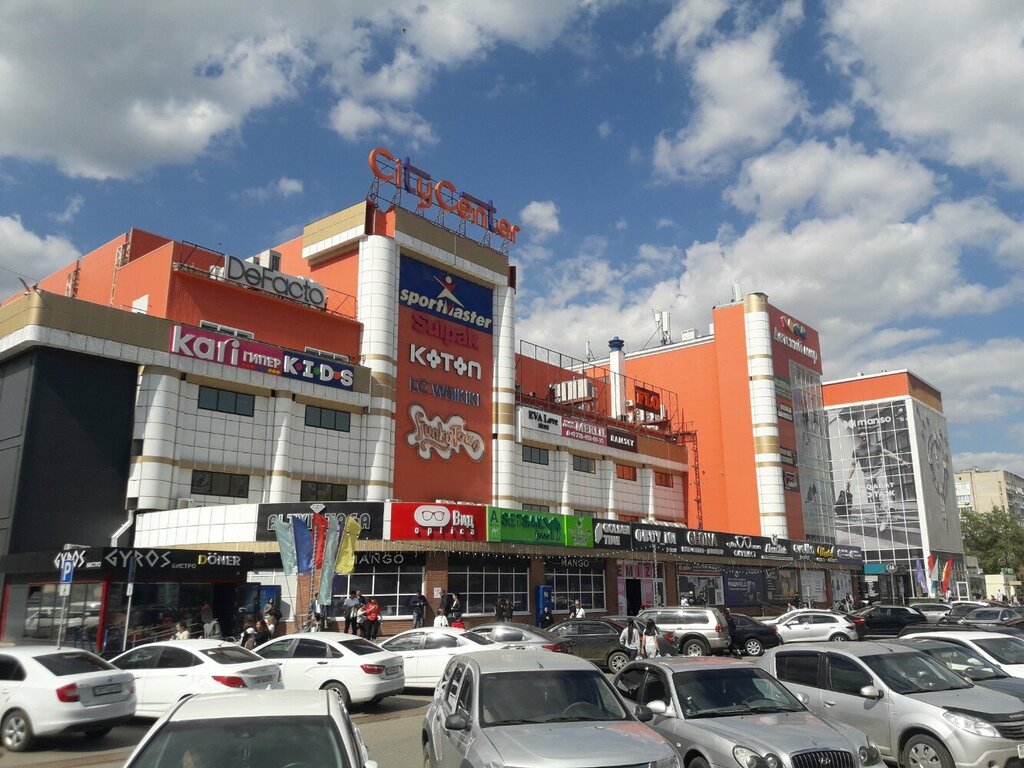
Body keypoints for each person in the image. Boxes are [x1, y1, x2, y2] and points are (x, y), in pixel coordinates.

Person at [845, 432, 911, 532]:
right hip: (867, 474)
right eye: (861, 437)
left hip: (879, 471)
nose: (864, 438)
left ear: (868, 437)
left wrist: (901, 461)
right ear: (859, 439)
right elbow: (853, 465)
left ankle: (890, 508)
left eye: (865, 436)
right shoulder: (857, 451)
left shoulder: (876, 446)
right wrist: (848, 479)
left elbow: (888, 453)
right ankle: (884, 519)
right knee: (874, 497)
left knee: (883, 492)